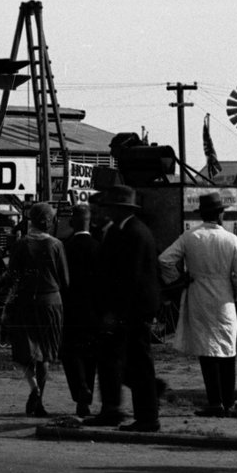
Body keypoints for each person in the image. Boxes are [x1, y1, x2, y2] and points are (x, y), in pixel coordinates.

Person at [159, 191, 237, 417]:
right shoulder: (231, 239)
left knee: (206, 350)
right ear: (220, 215)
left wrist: (179, 281)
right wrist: (236, 292)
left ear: (202, 214)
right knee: (228, 350)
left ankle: (215, 401)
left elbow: (165, 259)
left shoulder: (190, 236)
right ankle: (228, 402)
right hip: (224, 299)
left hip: (199, 294)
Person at [93, 184, 161, 431]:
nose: (107, 211)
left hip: (133, 309)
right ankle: (117, 410)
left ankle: (147, 417)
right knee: (120, 359)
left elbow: (129, 279)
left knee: (139, 362)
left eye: (111, 207)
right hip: (130, 309)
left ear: (120, 209)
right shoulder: (125, 230)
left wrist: (114, 313)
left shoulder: (133, 233)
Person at [1, 201, 70, 416]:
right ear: (49, 222)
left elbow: (11, 276)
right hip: (51, 303)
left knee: (26, 352)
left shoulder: (21, 244)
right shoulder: (56, 245)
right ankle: (39, 398)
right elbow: (65, 279)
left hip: (25, 303)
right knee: (46, 354)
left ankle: (34, 390)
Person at [59, 202, 103, 417]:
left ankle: (79, 391)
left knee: (70, 352)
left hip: (70, 308)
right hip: (94, 309)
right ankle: (88, 391)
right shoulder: (99, 247)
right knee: (91, 355)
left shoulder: (64, 247)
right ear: (90, 222)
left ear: (71, 222)